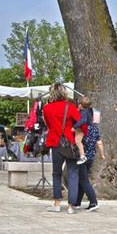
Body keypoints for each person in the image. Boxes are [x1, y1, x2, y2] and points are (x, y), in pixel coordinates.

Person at [42, 83, 84, 214]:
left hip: (55, 143)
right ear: (64, 92)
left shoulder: (46, 108)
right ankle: (71, 206)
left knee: (56, 173)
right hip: (70, 143)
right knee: (73, 174)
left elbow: (48, 125)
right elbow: (80, 122)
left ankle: (57, 203)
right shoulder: (70, 107)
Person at [74, 115, 105, 212]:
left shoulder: (82, 128)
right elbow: (99, 143)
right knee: (82, 180)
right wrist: (102, 154)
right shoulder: (95, 128)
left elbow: (78, 141)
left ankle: (93, 202)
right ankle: (77, 202)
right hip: (91, 157)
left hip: (82, 157)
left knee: (84, 180)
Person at [71, 96, 92, 165]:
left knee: (78, 141)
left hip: (81, 129)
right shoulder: (85, 110)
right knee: (77, 141)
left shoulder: (84, 112)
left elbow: (83, 120)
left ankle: (82, 156)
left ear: (80, 105)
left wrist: (74, 127)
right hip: (81, 128)